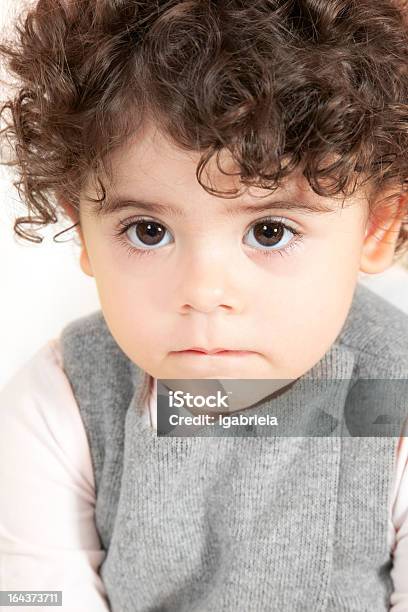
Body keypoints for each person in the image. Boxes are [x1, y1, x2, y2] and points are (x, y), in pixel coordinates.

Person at [1, 0, 408, 609]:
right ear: (84, 232)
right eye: (147, 231)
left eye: (269, 231)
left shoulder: (394, 398)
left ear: (375, 229)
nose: (202, 291)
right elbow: (36, 592)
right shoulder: (62, 399)